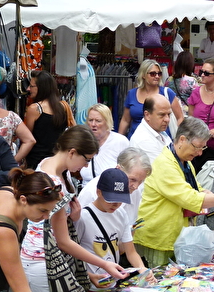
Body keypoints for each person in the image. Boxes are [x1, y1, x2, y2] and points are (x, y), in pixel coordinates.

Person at [133, 117, 214, 268]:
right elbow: (191, 198)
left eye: (203, 148)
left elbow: (195, 189)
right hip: (159, 236)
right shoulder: (165, 164)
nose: (200, 153)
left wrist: (206, 192)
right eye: (198, 147)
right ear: (182, 139)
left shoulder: (185, 162)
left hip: (177, 234)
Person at [21, 125, 127, 292]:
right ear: (72, 152)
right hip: (44, 260)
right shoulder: (55, 182)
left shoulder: (51, 166)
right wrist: (104, 264)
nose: (86, 166)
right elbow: (63, 241)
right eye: (87, 160)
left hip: (46, 257)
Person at [75, 168, 155, 289]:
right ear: (99, 192)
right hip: (89, 285)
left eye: (121, 200)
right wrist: (89, 276)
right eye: (111, 199)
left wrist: (142, 269)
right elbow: (72, 255)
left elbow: (131, 251)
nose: (116, 204)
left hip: (113, 282)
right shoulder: (83, 217)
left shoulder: (121, 213)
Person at [78, 147, 152, 229]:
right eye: (132, 179)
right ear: (118, 169)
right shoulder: (92, 190)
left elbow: (131, 226)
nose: (136, 187)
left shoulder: (135, 191)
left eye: (141, 181)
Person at [118, 59, 183, 140]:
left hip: (161, 141)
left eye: (159, 73)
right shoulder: (132, 94)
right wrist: (119, 140)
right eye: (152, 74)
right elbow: (125, 120)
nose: (157, 76)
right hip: (136, 141)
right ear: (143, 75)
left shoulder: (167, 93)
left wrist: (178, 139)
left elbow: (180, 117)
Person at [24, 70, 68, 170]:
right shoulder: (62, 107)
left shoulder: (34, 109)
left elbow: (27, 138)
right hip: (56, 161)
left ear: (41, 88)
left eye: (31, 86)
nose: (28, 89)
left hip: (36, 162)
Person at [80, 103, 129, 187]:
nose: (93, 124)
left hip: (110, 192)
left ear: (107, 122)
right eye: (90, 120)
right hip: (86, 192)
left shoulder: (120, 141)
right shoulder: (82, 142)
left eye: (98, 121)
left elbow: (129, 171)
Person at [129, 94, 172, 164]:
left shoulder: (158, 131)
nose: (167, 119)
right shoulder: (143, 140)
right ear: (147, 115)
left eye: (169, 114)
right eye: (162, 115)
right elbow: (163, 168)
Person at [165, 51, 198, 116]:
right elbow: (196, 99)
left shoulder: (169, 80)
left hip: (171, 113)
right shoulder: (192, 81)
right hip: (185, 114)